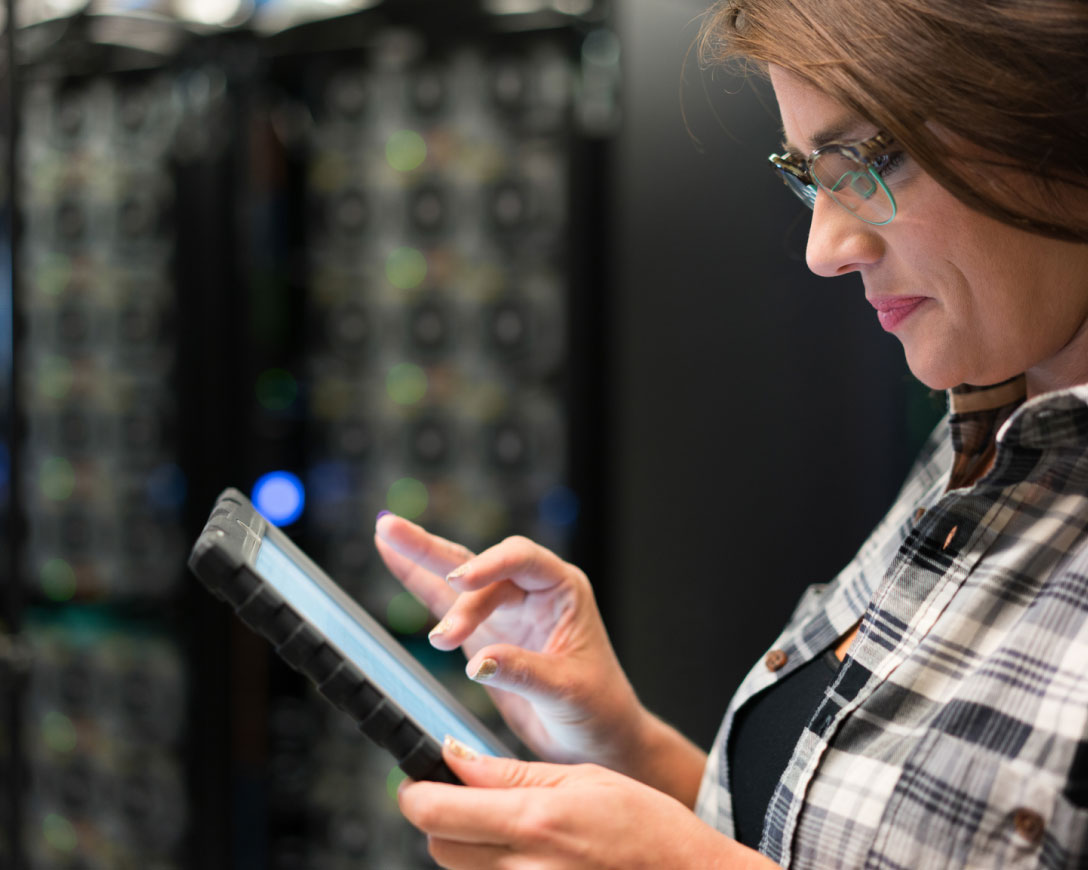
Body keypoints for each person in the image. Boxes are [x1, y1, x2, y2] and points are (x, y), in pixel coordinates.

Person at [374, 0, 1088, 865]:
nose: (825, 247)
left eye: (871, 157)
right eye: (809, 172)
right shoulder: (993, 430)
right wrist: (619, 746)